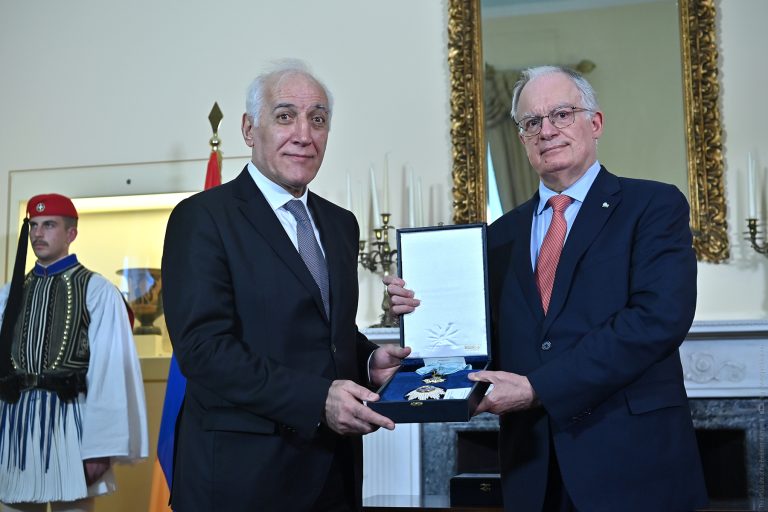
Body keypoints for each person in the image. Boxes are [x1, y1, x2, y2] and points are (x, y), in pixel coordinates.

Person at [386, 66, 707, 511]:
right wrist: (418, 316)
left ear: (595, 123)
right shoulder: (498, 236)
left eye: (561, 114)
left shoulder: (653, 205)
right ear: (521, 139)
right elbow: (481, 339)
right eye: (532, 122)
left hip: (634, 463)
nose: (547, 130)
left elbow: (657, 321)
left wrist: (539, 387)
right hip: (533, 470)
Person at [161, 59, 410, 512]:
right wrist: (318, 399)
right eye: (284, 116)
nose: (303, 134)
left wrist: (368, 359)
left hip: (334, 475)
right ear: (248, 129)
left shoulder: (340, 224)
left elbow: (327, 333)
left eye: (318, 119)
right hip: (242, 478)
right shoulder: (202, 218)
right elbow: (203, 350)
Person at [0, 193, 148, 512]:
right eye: (34, 225)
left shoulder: (96, 290)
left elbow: (109, 372)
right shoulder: (10, 294)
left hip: (71, 425)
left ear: (71, 233)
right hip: (16, 428)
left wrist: (101, 447)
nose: (38, 233)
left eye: (49, 225)